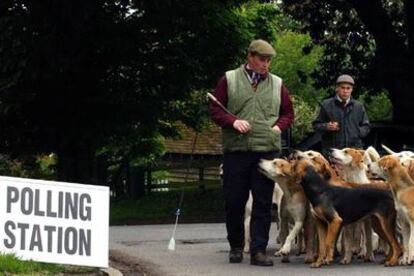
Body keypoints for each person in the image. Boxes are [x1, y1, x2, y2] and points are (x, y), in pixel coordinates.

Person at [209, 39, 294, 266]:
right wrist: (232, 121)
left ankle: (258, 250)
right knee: (234, 201)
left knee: (263, 202)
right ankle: (236, 246)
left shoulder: (278, 84)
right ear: (250, 58)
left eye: (269, 61)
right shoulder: (229, 79)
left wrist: (278, 127)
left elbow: (288, 113)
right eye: (262, 60)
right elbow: (215, 109)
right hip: (236, 151)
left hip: (266, 152)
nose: (266, 64)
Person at [312, 74, 370, 157]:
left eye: (348, 88)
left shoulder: (359, 106)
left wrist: (356, 132)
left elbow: (366, 126)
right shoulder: (326, 104)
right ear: (337, 89)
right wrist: (327, 126)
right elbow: (316, 125)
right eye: (342, 88)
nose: (345, 91)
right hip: (333, 153)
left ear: (352, 90)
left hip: (354, 153)